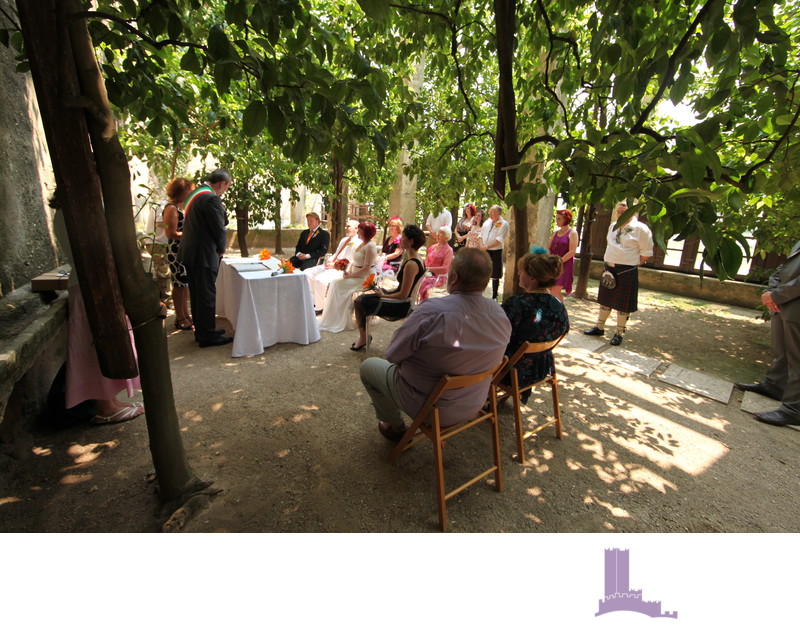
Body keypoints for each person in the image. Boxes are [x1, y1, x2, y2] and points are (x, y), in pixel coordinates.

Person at [359, 248, 512, 441]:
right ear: (486, 279)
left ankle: (393, 426)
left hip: (430, 407)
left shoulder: (432, 312)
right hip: (474, 402)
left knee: (368, 367)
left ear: (454, 278)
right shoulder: (500, 315)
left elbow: (392, 354)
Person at [735, 239, 800, 426]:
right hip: (783, 304)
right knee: (782, 352)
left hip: (793, 303)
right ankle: (774, 386)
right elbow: (783, 268)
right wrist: (772, 291)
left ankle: (793, 409)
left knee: (797, 359)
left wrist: (777, 295)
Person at [501, 252, 570, 402]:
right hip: (541, 366)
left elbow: (497, 335)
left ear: (532, 278)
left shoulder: (517, 303)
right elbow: (565, 329)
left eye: (522, 271)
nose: (519, 273)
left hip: (511, 370)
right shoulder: (558, 306)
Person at [583, 201, 653, 346]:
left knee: (623, 304)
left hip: (627, 270)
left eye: (624, 212)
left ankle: (619, 332)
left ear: (633, 212)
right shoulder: (612, 226)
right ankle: (599, 327)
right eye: (618, 212)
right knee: (605, 300)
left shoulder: (641, 229)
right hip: (609, 268)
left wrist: (630, 263)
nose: (620, 215)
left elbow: (646, 253)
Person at [178, 168, 233, 348]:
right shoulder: (210, 198)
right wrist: (220, 249)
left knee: (198, 295)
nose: (225, 190)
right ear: (222, 183)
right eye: (227, 186)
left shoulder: (196, 194)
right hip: (203, 254)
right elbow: (219, 228)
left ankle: (203, 330)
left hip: (192, 253)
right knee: (206, 295)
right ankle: (207, 336)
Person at [351, 224, 427, 350]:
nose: (400, 239)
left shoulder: (411, 265)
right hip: (401, 300)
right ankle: (364, 336)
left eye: (403, 237)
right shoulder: (418, 259)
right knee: (368, 295)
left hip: (400, 305)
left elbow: (403, 295)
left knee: (359, 301)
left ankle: (363, 338)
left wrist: (384, 295)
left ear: (411, 241)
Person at [319, 222, 378, 333]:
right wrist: (347, 271)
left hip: (366, 278)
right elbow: (355, 261)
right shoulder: (361, 244)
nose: (358, 231)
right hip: (355, 274)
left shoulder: (370, 246)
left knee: (338, 285)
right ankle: (333, 317)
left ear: (365, 232)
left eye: (360, 229)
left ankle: (339, 320)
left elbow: (366, 268)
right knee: (335, 283)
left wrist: (350, 276)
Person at [304, 219, 359, 311]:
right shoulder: (344, 240)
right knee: (307, 273)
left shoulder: (358, 243)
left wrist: (334, 265)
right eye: (346, 226)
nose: (346, 228)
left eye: (348, 226)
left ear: (356, 228)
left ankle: (319, 307)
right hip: (331, 264)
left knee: (319, 279)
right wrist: (329, 261)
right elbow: (336, 253)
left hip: (341, 269)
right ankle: (313, 302)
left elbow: (351, 261)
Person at [163, 177, 196, 331]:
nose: (191, 193)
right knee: (178, 284)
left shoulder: (180, 207)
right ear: (181, 191)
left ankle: (185, 314)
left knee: (184, 283)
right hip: (176, 250)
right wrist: (192, 234)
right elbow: (171, 233)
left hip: (183, 249)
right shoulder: (171, 208)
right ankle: (180, 317)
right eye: (189, 191)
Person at [548, 208, 579, 302]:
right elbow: (549, 248)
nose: (557, 221)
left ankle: (562, 313)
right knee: (550, 290)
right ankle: (558, 312)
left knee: (555, 292)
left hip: (564, 266)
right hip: (553, 266)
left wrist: (558, 261)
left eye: (559, 219)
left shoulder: (572, 233)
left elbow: (572, 251)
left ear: (566, 219)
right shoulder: (555, 233)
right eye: (556, 218)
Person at [480, 205, 510, 300]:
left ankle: (494, 295)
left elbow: (499, 239)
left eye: (493, 212)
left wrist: (487, 246)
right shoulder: (487, 222)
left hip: (495, 251)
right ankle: (480, 293)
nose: (491, 214)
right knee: (483, 272)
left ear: (499, 213)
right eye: (490, 212)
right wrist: (482, 245)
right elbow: (481, 235)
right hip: (484, 250)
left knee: (495, 274)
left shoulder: (503, 223)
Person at [418, 226, 454, 301]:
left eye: (441, 234)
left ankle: (423, 302)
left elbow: (445, 269)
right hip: (427, 273)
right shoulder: (433, 247)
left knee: (422, 281)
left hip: (438, 277)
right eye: (437, 233)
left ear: (447, 237)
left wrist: (429, 269)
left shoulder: (449, 250)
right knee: (415, 277)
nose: (437, 235)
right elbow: (426, 261)